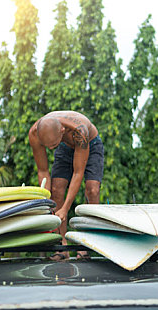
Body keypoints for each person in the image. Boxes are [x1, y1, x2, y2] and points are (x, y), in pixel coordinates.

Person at [29, 111, 104, 260]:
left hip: (91, 143)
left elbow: (78, 173)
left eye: (53, 145)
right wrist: (47, 204)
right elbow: (43, 171)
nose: (50, 149)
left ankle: (85, 246)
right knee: (56, 190)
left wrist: (65, 209)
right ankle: (62, 248)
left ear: (62, 131)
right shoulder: (34, 133)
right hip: (65, 146)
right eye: (48, 146)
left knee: (92, 189)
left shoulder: (80, 131)